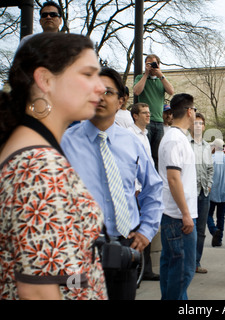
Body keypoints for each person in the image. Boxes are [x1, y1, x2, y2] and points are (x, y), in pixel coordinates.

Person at [0, 32, 107, 300]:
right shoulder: (38, 166)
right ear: (45, 80)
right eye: (87, 74)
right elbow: (38, 290)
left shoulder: (29, 151)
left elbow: (65, 273)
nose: (101, 87)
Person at [61, 67, 164, 300]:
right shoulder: (66, 142)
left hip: (125, 248)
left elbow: (154, 188)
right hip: (77, 253)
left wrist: (146, 231)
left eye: (107, 92)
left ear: (121, 101)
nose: (99, 97)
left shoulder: (133, 142)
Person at [158, 93, 197, 300]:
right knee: (183, 270)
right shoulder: (175, 139)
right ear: (190, 111)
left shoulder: (177, 138)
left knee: (171, 267)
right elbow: (173, 179)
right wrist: (186, 213)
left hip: (175, 214)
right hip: (178, 216)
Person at [128, 102, 160, 281]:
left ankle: (145, 270)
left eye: (149, 112)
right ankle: (138, 269)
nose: (148, 115)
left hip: (146, 189)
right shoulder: (130, 135)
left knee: (145, 231)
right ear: (135, 115)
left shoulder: (145, 135)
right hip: (137, 191)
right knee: (136, 231)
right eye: (144, 113)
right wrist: (136, 188)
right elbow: (131, 163)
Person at [133, 54, 175, 169]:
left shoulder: (161, 80)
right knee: (144, 153)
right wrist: (146, 74)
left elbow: (171, 91)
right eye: (148, 64)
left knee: (157, 156)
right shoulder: (140, 78)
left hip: (159, 122)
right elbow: (136, 91)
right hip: (146, 122)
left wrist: (159, 73)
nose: (151, 66)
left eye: (154, 64)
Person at [189, 112, 214, 274]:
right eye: (195, 123)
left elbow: (210, 168)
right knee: (188, 229)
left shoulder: (206, 146)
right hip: (189, 192)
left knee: (201, 230)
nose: (198, 126)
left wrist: (209, 184)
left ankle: (196, 262)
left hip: (204, 192)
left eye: (201, 123)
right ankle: (187, 261)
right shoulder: (185, 143)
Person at [208, 138, 225, 247]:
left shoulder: (211, 159)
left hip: (212, 191)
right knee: (221, 216)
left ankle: (214, 231)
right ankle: (219, 239)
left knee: (207, 215)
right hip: (224, 192)